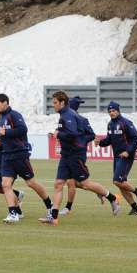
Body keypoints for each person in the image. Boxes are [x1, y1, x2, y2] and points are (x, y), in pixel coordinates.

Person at [40, 91, 120, 226]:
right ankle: (53, 217)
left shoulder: (69, 115)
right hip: (66, 155)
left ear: (62, 103)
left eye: (54, 103)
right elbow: (78, 133)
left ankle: (112, 198)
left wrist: (59, 134)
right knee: (58, 184)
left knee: (85, 184)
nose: (53, 105)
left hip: (75, 155)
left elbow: (72, 134)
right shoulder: (66, 116)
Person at [0, 93, 53, 224]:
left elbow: (23, 130)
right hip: (7, 156)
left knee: (31, 183)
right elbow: (6, 137)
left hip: (19, 155)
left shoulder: (14, 115)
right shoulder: (1, 118)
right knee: (5, 185)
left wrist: (6, 133)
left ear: (5, 103)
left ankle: (50, 206)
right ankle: (13, 213)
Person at [95, 101, 137, 215]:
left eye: (114, 111)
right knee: (121, 184)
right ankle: (135, 208)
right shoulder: (110, 124)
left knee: (117, 181)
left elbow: (136, 138)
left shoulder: (126, 122)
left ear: (118, 110)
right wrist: (100, 142)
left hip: (126, 156)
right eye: (110, 111)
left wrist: (128, 151)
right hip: (117, 157)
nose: (111, 113)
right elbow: (109, 140)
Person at [59, 96, 105, 215]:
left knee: (75, 183)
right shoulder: (65, 117)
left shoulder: (82, 119)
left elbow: (91, 135)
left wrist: (81, 141)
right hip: (68, 154)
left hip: (78, 154)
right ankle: (99, 191)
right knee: (78, 183)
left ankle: (68, 208)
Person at [0, 105, 24, 216]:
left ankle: (16, 212)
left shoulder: (6, 124)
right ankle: (17, 194)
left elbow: (11, 143)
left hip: (7, 162)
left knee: (6, 186)